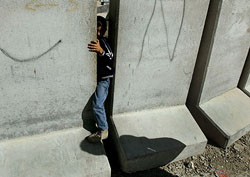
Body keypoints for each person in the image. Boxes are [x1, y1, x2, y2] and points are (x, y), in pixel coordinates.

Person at [87, 16, 114, 143]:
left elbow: (110, 56)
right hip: (98, 78)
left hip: (104, 79)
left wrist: (101, 51)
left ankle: (103, 131)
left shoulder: (103, 41)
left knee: (98, 104)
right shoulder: (96, 40)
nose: (98, 34)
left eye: (100, 31)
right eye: (96, 31)